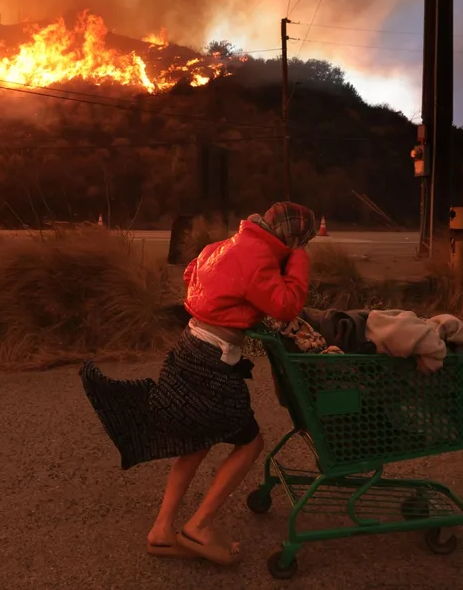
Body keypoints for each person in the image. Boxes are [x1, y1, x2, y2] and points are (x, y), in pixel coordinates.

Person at [79, 201, 317, 565]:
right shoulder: (258, 257)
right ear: (293, 239)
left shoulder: (223, 246)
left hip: (190, 346)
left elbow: (191, 273)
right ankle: (200, 526)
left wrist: (229, 304)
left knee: (197, 441)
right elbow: (286, 306)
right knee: (251, 443)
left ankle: (162, 531)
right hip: (215, 360)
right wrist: (299, 261)